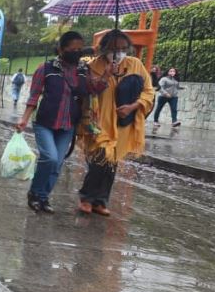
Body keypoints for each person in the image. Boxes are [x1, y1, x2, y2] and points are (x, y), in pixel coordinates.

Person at [76, 30, 155, 216]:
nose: (118, 52)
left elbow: (148, 91)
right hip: (99, 122)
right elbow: (88, 90)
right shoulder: (93, 66)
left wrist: (133, 106)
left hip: (124, 123)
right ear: (104, 49)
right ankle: (86, 198)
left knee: (112, 163)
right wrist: (106, 75)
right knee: (101, 158)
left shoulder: (135, 65)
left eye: (122, 48)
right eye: (113, 49)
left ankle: (100, 201)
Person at [14, 32, 92, 213]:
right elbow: (34, 96)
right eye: (73, 49)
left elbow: (91, 90)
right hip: (45, 122)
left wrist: (106, 75)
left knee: (57, 164)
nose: (77, 52)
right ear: (61, 49)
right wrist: (24, 119)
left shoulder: (82, 71)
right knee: (50, 157)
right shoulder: (46, 69)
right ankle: (34, 193)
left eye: (80, 49)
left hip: (68, 125)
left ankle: (43, 197)